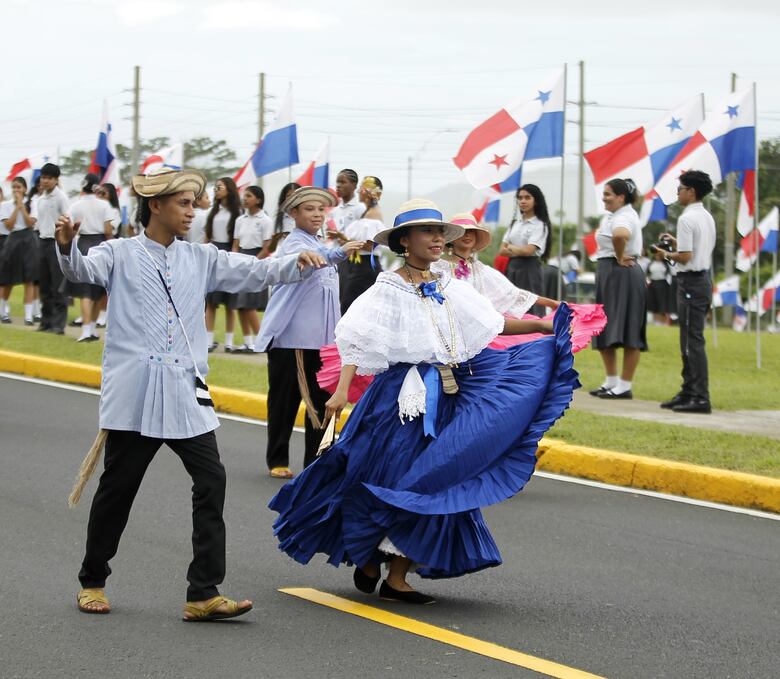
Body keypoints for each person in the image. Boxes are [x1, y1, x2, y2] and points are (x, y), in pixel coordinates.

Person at [269, 199, 577, 605]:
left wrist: (538, 324)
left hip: (448, 395)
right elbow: (356, 338)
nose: (436, 239)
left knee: (435, 479)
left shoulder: (451, 285)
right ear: (404, 241)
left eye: (439, 233)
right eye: (427, 232)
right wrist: (341, 392)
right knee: (384, 476)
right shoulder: (387, 287)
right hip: (397, 400)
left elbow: (491, 321)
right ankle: (366, 556)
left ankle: (397, 575)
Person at [56, 167, 326, 620]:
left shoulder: (201, 257)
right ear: (155, 206)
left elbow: (257, 271)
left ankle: (202, 592)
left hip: (186, 391)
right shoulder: (119, 252)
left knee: (211, 479)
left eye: (193, 203)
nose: (191, 211)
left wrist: (295, 264)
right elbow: (81, 269)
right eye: (183, 203)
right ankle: (93, 579)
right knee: (118, 489)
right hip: (136, 394)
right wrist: (66, 245)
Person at [256, 187, 364, 479]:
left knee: (321, 399)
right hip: (294, 340)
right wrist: (339, 252)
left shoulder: (319, 242)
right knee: (284, 400)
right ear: (293, 214)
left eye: (320, 209)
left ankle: (317, 462)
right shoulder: (293, 245)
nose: (317, 214)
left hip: (323, 341)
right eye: (309, 209)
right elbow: (312, 259)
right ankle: (277, 458)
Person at [658, 170, 716, 414]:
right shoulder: (706, 216)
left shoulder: (686, 219)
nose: (678, 193)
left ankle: (700, 396)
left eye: (680, 188)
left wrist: (665, 254)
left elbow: (685, 257)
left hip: (690, 282)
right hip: (702, 279)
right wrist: (675, 243)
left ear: (691, 191)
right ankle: (689, 391)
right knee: (690, 340)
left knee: (692, 342)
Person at [590, 178, 646, 400]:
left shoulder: (625, 215)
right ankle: (611, 380)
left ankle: (624, 384)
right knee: (605, 326)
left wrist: (620, 255)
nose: (604, 198)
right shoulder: (612, 216)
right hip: (608, 272)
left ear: (621, 197)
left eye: (608, 194)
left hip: (622, 272)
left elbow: (621, 235)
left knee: (629, 329)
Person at [65, 173, 114, 342]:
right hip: (100, 243)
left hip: (83, 243)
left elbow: (70, 226)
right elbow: (108, 230)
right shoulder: (104, 205)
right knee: (97, 290)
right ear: (96, 187)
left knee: (86, 290)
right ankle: (89, 329)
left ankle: (88, 330)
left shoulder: (76, 205)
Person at [329, 175, 385, 314]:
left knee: (349, 305)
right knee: (350, 304)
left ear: (366, 192)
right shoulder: (366, 213)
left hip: (366, 267)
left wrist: (345, 239)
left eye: (361, 188)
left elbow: (371, 245)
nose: (359, 191)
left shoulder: (373, 215)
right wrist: (343, 239)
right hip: (357, 266)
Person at [498, 184, 552, 316]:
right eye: (520, 198)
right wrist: (518, 249)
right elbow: (501, 250)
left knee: (531, 306)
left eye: (527, 197)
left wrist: (511, 247)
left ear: (536, 201)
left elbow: (529, 251)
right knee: (512, 305)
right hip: (512, 268)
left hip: (530, 269)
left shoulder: (540, 225)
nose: (523, 201)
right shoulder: (515, 224)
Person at [232, 186, 273, 352]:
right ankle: (248, 342)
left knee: (250, 305)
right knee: (240, 305)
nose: (245, 198)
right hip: (241, 259)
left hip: (256, 260)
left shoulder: (265, 220)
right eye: (244, 196)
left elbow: (267, 246)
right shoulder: (240, 220)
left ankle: (261, 342)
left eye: (249, 196)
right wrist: (234, 260)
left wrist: (253, 263)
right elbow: (235, 244)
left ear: (258, 199)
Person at [204, 177, 241, 352]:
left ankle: (228, 341)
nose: (216, 189)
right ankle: (208, 340)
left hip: (228, 253)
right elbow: (207, 236)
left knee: (229, 303)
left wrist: (232, 259)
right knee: (211, 301)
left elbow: (236, 240)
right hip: (213, 251)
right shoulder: (213, 212)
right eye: (215, 187)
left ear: (230, 189)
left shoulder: (237, 213)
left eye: (220, 187)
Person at [34, 163, 70, 334]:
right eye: (43, 177)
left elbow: (67, 219)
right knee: (44, 285)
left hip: (56, 243)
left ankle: (58, 325)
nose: (45, 181)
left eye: (49, 178)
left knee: (58, 286)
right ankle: (45, 322)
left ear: (56, 180)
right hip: (42, 242)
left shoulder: (61, 197)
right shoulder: (40, 199)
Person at [0, 176, 38, 324]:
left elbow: (30, 223)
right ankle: (3, 312)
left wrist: (22, 205)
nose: (16, 190)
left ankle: (28, 316)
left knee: (29, 278)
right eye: (14, 187)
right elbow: (9, 225)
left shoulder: (32, 203)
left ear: (25, 189)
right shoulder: (5, 205)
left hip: (28, 239)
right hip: (13, 239)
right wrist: (16, 207)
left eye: (19, 187)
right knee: (8, 278)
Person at [268, 182, 300, 254]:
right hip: (282, 259)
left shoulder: (306, 216)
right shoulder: (278, 219)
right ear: (284, 198)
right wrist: (275, 240)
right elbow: (271, 250)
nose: (291, 198)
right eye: (288, 196)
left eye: (295, 195)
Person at [646, 250, 672, 325]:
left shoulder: (665, 264)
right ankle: (655, 321)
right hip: (652, 284)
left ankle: (663, 321)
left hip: (662, 284)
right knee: (653, 302)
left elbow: (668, 275)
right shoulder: (651, 263)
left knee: (662, 303)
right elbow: (648, 274)